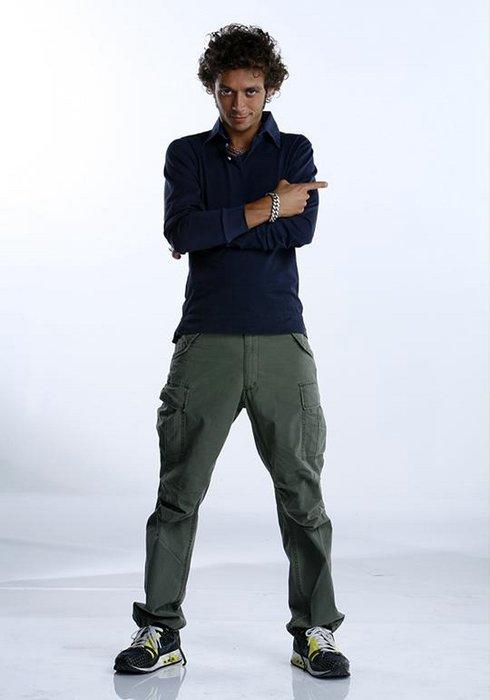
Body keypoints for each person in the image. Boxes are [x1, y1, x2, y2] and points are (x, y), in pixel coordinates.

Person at [114, 23, 350, 679]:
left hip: (281, 340)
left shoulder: (294, 150)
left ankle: (315, 633)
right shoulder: (186, 154)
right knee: (179, 492)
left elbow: (298, 231)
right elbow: (180, 230)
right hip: (205, 340)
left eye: (250, 91)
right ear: (212, 89)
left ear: (268, 89)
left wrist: (220, 227)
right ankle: (159, 630)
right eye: (227, 91)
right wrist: (266, 207)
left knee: (302, 493)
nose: (238, 104)